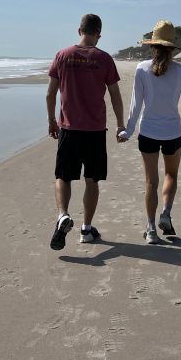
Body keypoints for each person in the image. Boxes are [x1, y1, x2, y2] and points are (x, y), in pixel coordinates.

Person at [46, 14, 127, 250]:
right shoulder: (104, 59)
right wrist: (121, 125)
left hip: (69, 129)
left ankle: (62, 215)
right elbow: (114, 94)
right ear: (98, 34)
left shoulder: (63, 55)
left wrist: (52, 120)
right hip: (95, 131)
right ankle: (86, 229)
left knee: (63, 176)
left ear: (79, 30)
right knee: (92, 181)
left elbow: (51, 93)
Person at [120, 20, 181, 244]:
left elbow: (135, 104)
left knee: (150, 182)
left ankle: (150, 229)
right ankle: (165, 214)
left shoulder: (142, 69)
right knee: (171, 175)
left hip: (147, 131)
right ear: (172, 47)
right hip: (172, 133)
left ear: (153, 46)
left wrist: (127, 131)